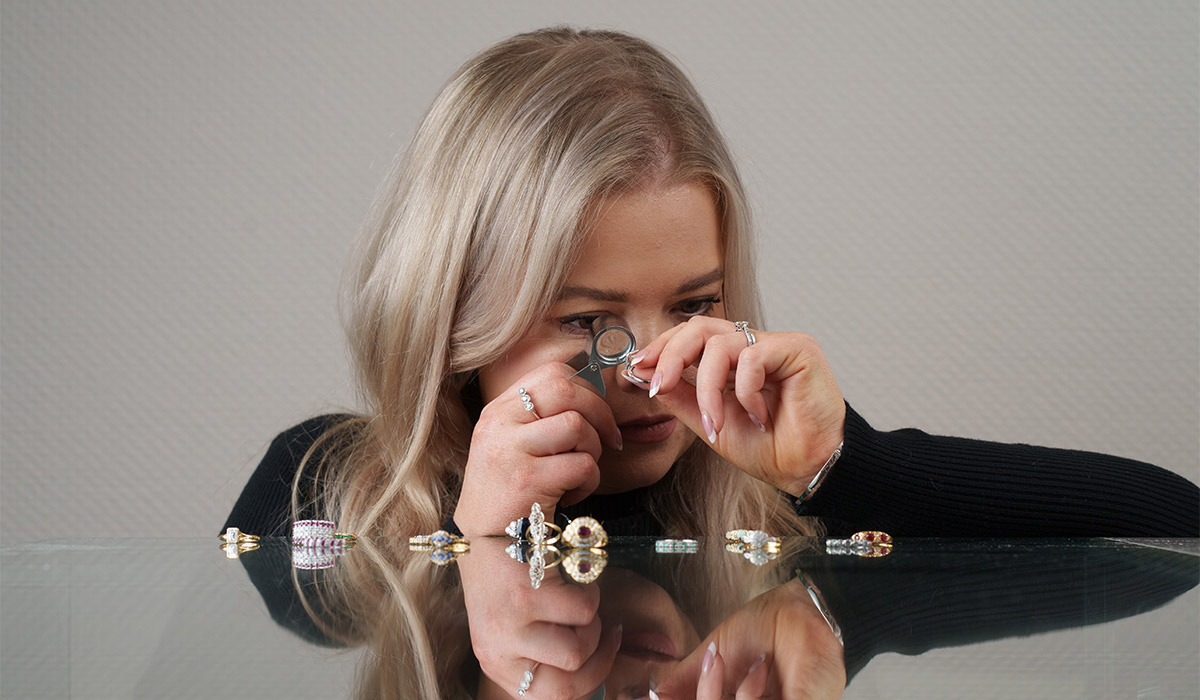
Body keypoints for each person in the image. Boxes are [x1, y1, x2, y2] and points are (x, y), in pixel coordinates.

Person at [226, 26, 1199, 548]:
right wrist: (462, 550)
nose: (652, 367)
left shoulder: (781, 506)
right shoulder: (322, 488)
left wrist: (843, 467)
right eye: (588, 319)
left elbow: (1174, 520)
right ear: (456, 322)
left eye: (694, 305)